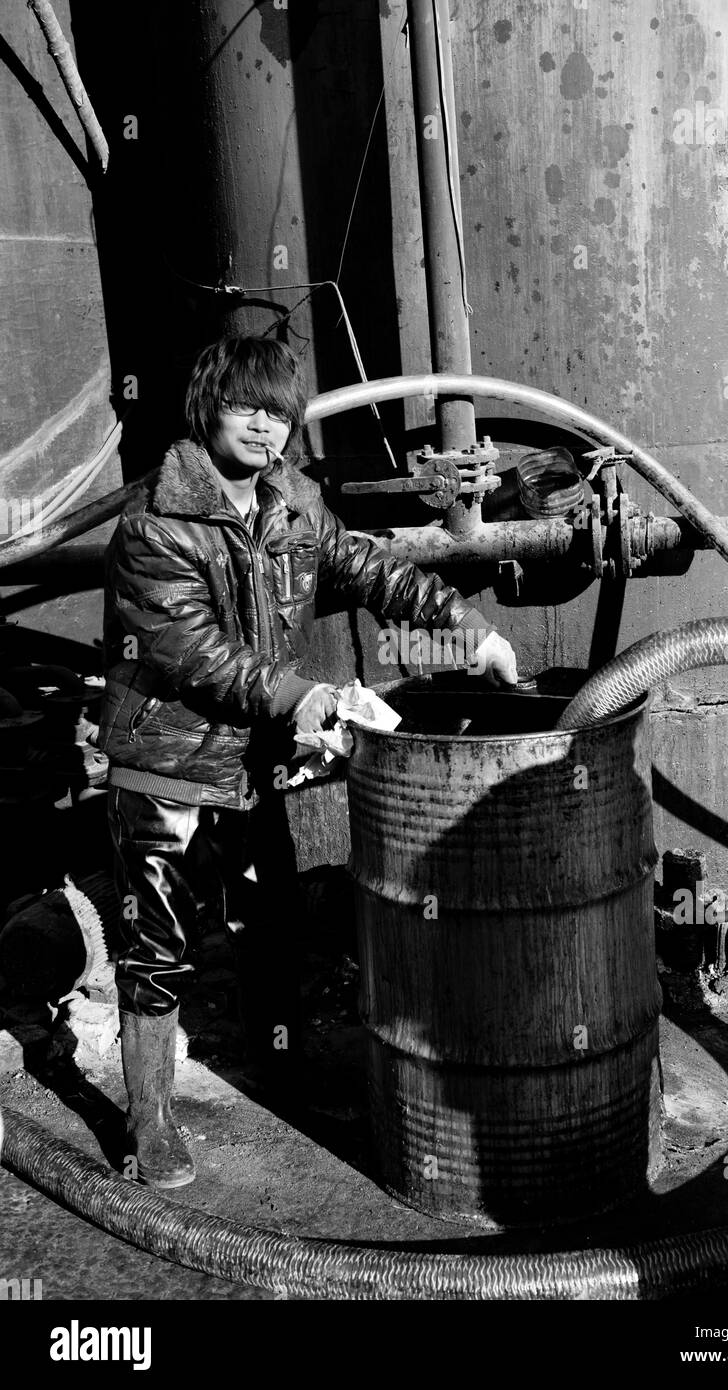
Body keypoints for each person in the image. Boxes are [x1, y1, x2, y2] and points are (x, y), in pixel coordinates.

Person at [98, 334, 518, 1189]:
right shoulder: (155, 519)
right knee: (158, 948)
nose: (265, 428)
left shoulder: (291, 501)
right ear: (206, 407)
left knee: (270, 925)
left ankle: (281, 1078)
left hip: (251, 759)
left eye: (280, 413)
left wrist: (466, 629)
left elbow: (369, 567)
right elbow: (191, 652)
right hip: (166, 766)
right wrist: (301, 697)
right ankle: (150, 1122)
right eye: (247, 408)